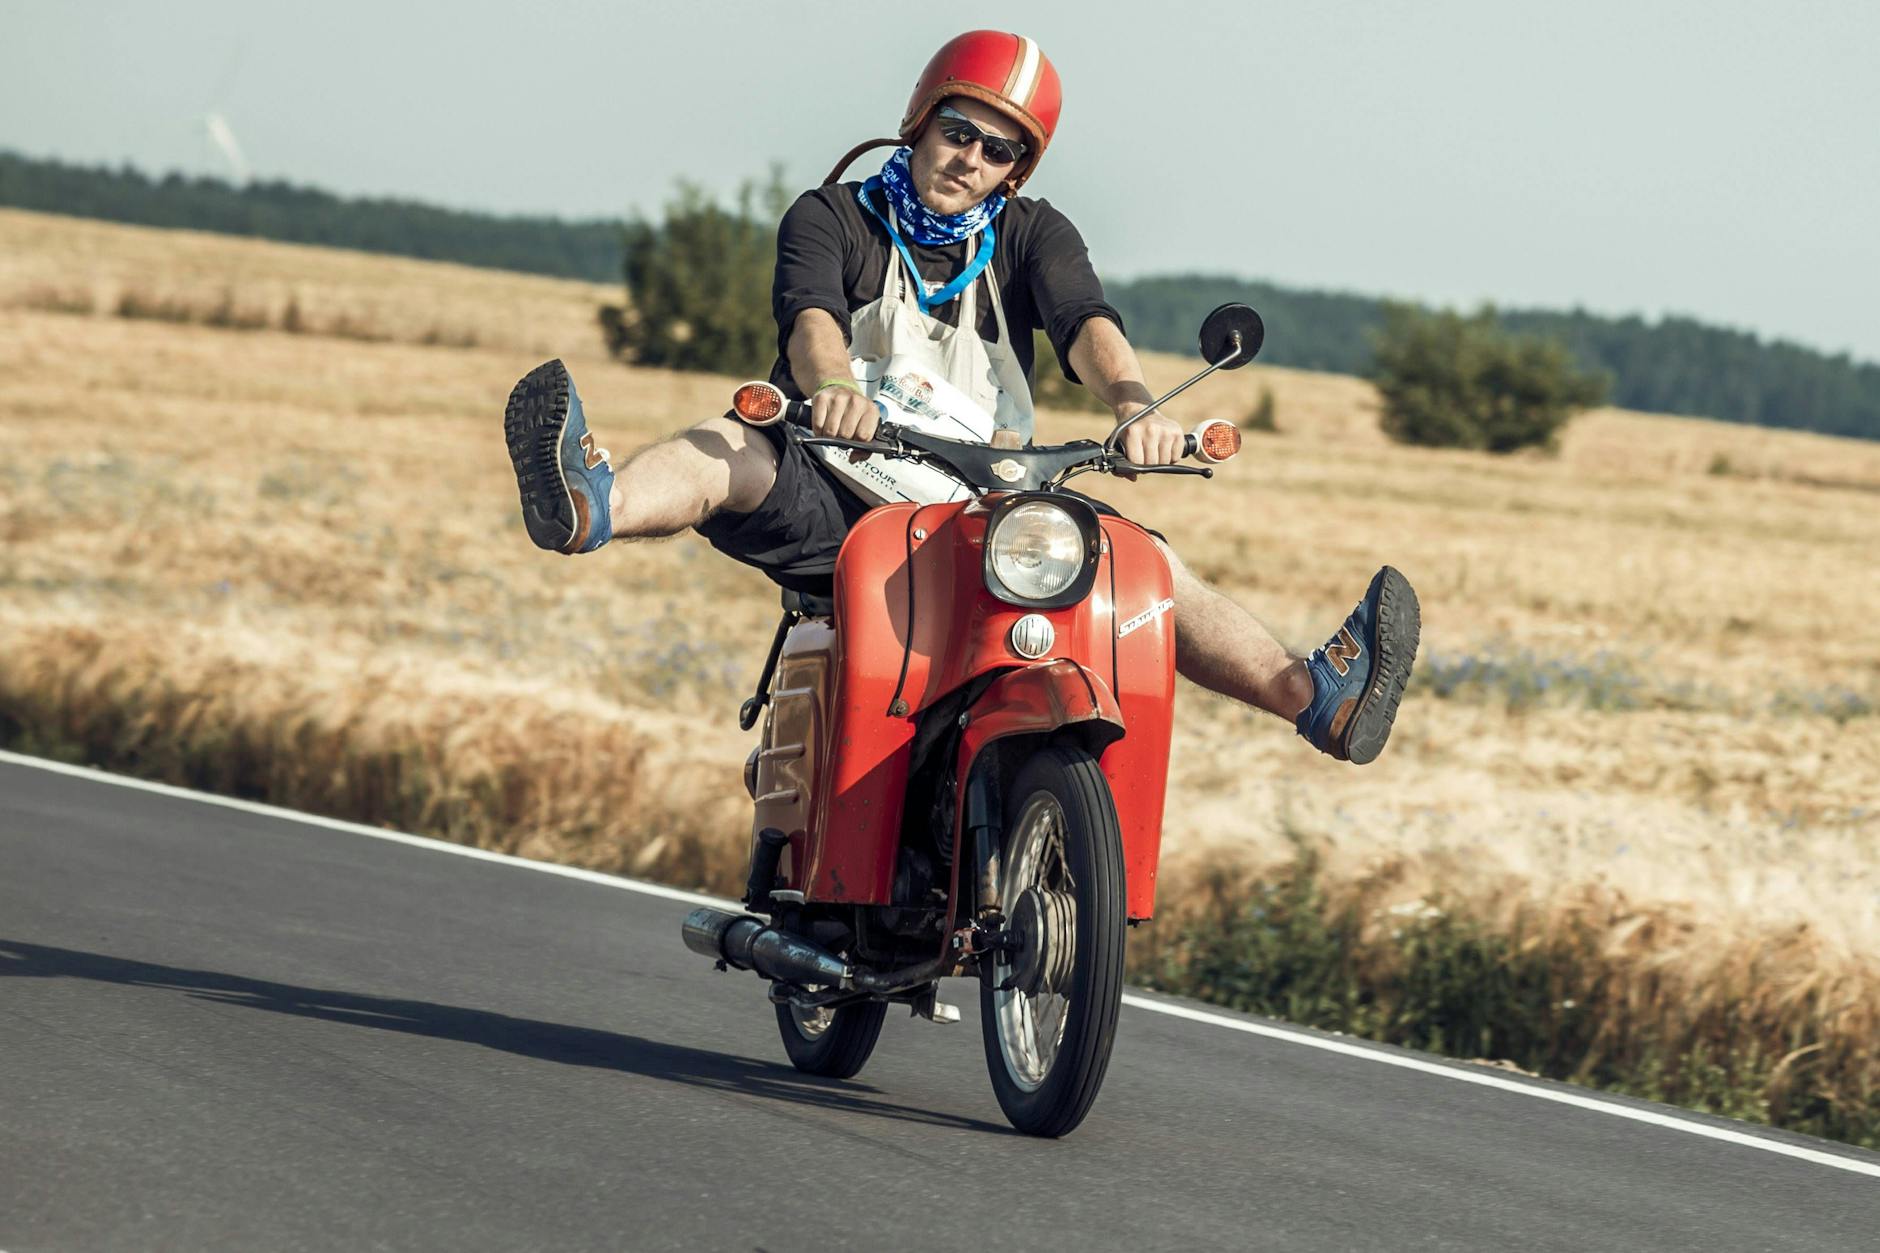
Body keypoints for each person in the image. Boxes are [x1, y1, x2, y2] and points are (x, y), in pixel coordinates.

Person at [501, 30, 1419, 764]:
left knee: (1139, 562)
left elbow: (1085, 323)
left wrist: (1135, 403)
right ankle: (591, 502)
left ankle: (1314, 697)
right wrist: (833, 387)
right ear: (920, 122)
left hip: (985, 505)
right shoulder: (833, 216)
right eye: (958, 131)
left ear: (1016, 167)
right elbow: (811, 319)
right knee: (731, 447)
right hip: (840, 481)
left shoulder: (1033, 235)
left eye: (998, 148)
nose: (970, 157)